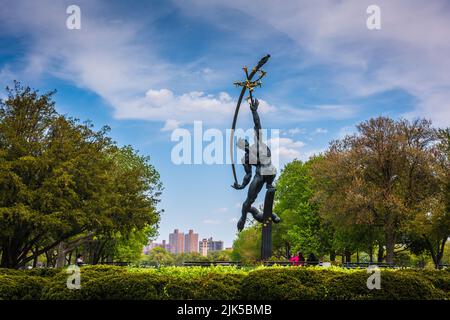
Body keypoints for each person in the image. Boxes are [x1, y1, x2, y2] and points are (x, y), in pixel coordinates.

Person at [232, 97, 281, 231]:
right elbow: (248, 175)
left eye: (245, 143)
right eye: (243, 146)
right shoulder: (246, 159)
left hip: (270, 171)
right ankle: (243, 217)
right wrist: (241, 185)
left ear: (248, 142)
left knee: (269, 170)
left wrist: (254, 111)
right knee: (247, 202)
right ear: (242, 148)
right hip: (259, 175)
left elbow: (257, 124)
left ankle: (270, 185)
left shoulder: (258, 143)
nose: (245, 147)